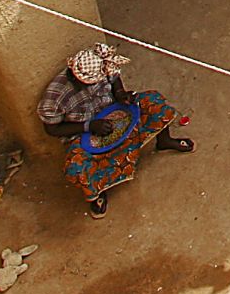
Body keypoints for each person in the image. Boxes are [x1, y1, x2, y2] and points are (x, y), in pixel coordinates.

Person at [36, 44, 193, 218]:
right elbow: (52, 129)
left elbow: (115, 81)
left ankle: (164, 141)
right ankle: (97, 193)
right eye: (90, 83)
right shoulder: (55, 96)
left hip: (115, 112)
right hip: (85, 132)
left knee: (153, 101)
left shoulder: (103, 65)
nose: (95, 85)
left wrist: (121, 94)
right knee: (76, 166)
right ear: (74, 78)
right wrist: (89, 126)